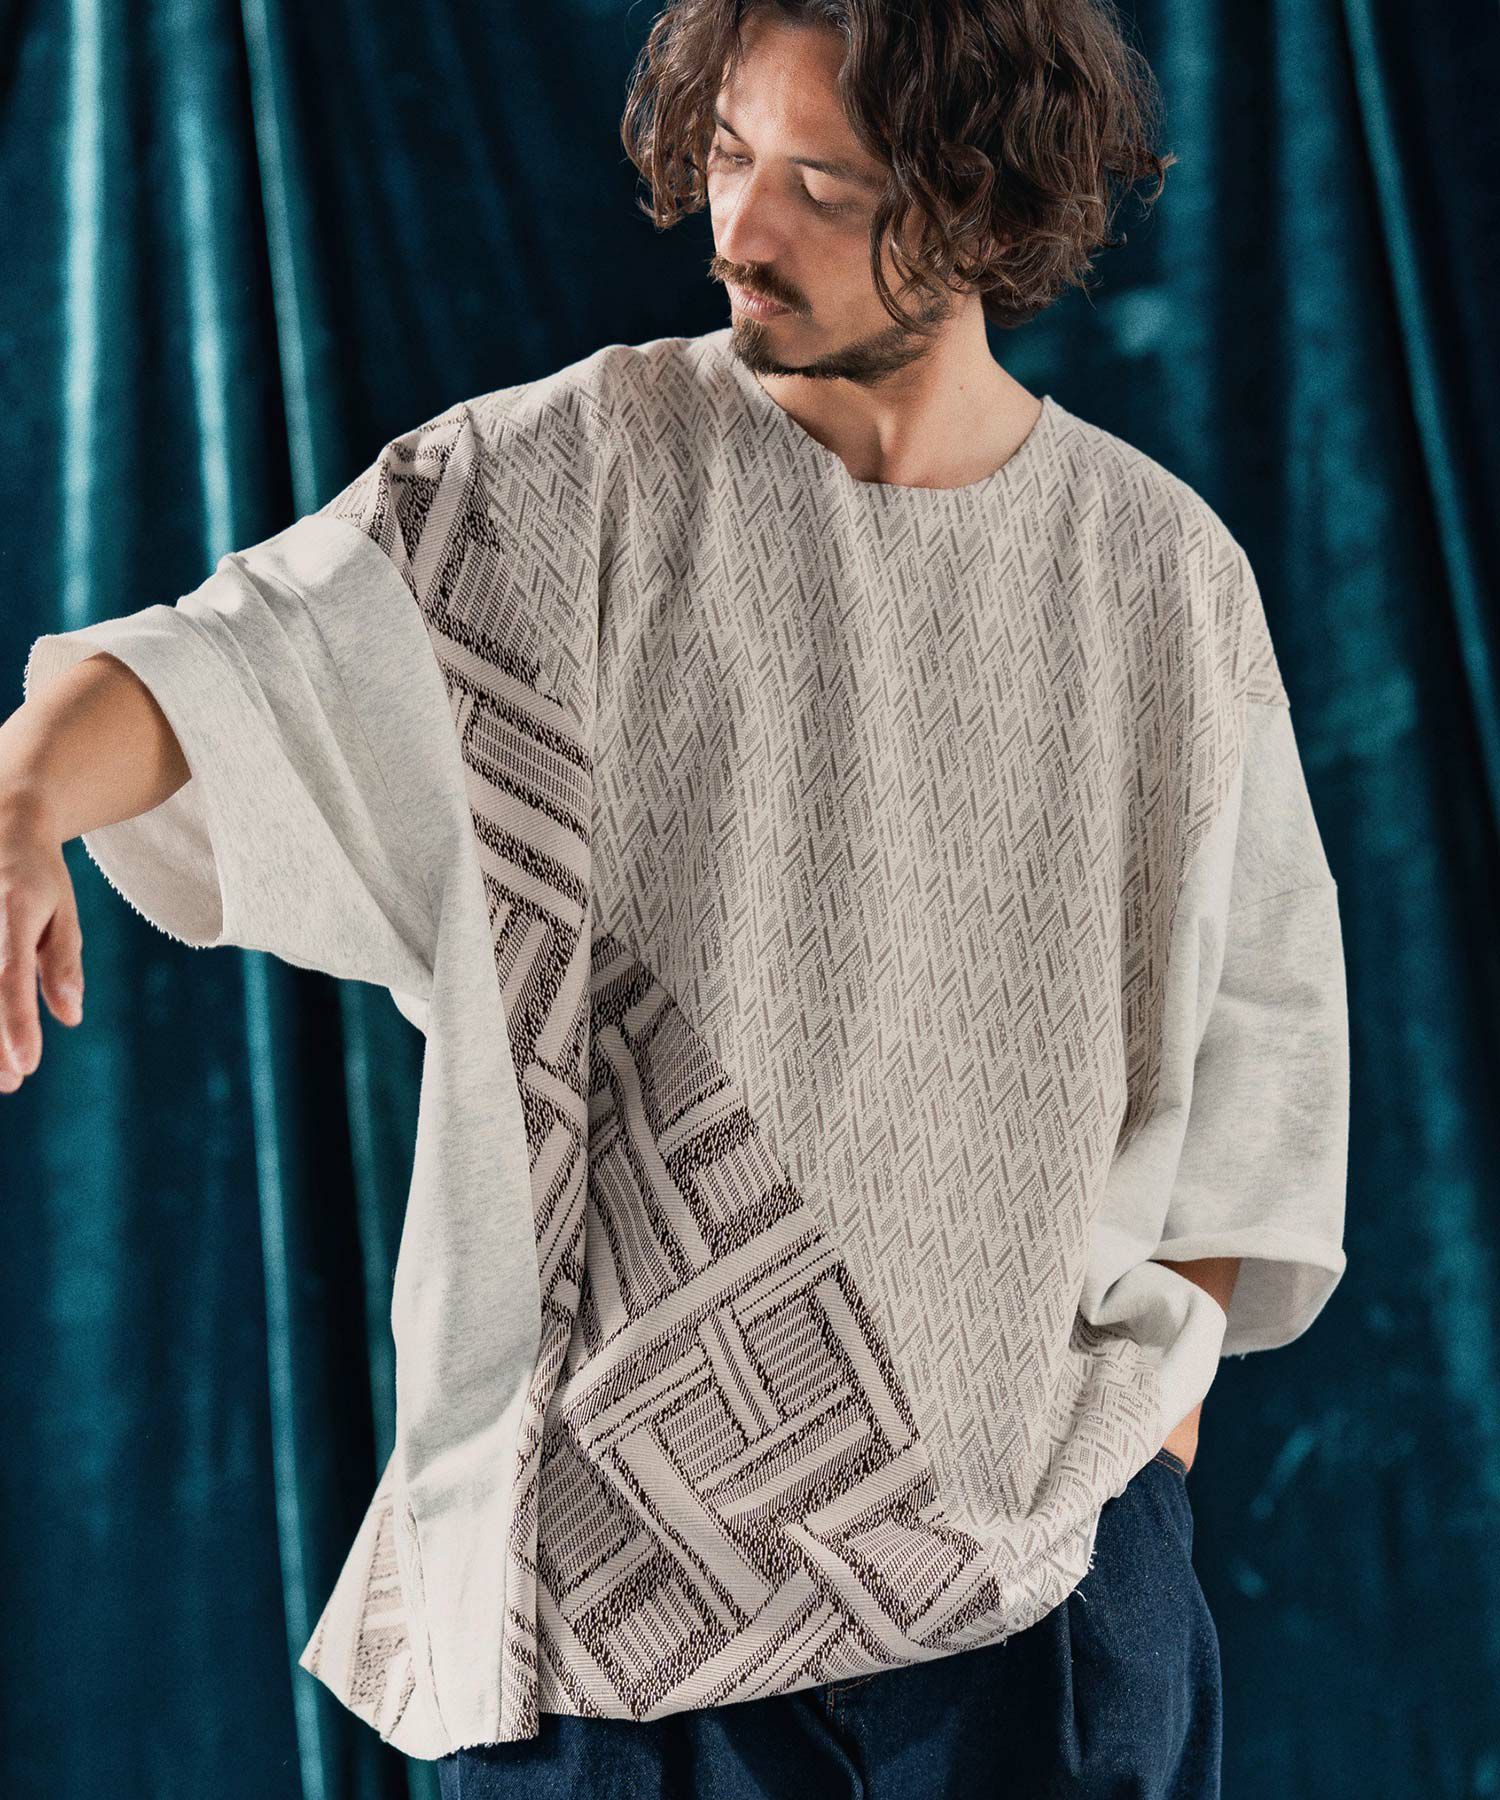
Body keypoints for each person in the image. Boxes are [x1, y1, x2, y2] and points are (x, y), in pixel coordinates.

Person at [0, 1, 1349, 1794]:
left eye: (821, 183)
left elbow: (1262, 1068)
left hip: (1039, 1629)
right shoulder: (567, 481)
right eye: (726, 156)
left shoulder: (1162, 578)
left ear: (981, 197)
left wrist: (1137, 1467)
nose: (740, 228)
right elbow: (232, 661)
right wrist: (23, 790)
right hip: (620, 1637)